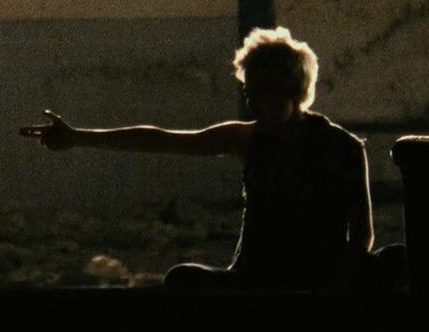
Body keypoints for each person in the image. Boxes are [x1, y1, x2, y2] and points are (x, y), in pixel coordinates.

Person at [20, 27, 402, 291]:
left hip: (318, 280)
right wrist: (77, 137)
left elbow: (362, 236)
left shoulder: (343, 148)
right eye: (250, 94)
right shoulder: (248, 139)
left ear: (294, 91)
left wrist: (333, 286)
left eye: (264, 93)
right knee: (182, 279)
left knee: (398, 260)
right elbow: (162, 140)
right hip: (255, 279)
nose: (255, 104)